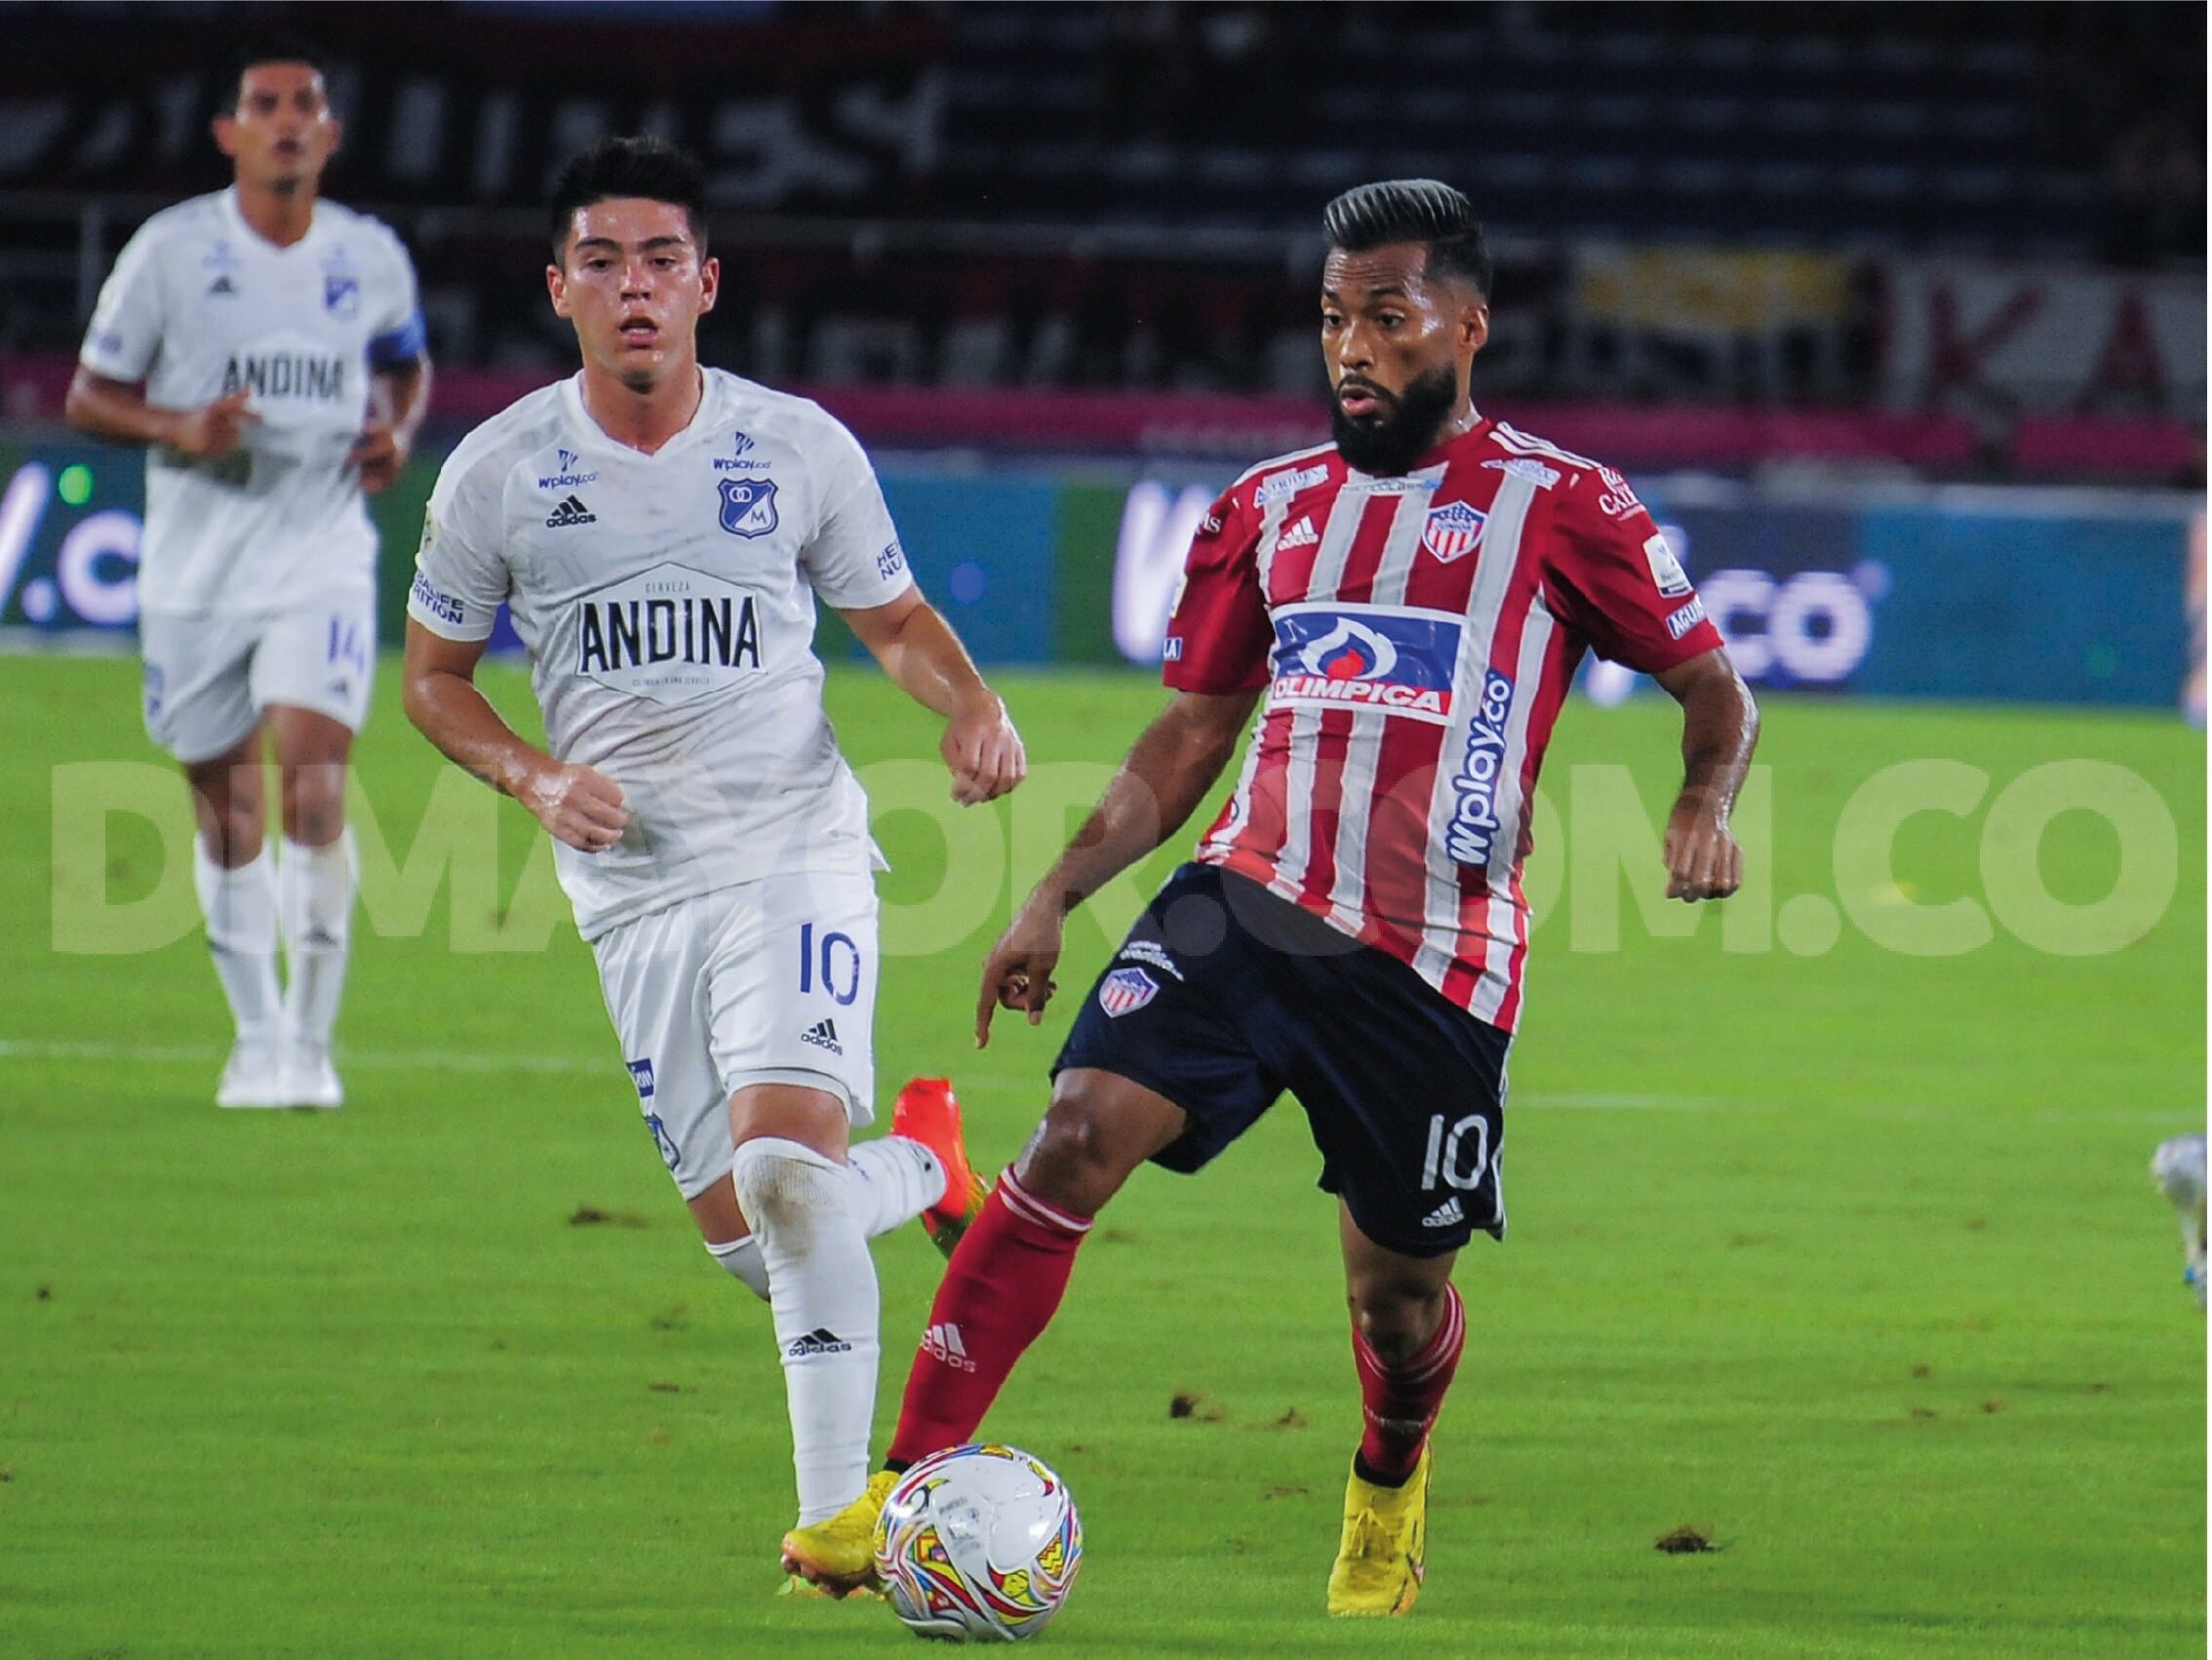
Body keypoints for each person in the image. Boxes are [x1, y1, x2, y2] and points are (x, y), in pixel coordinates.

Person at [802, 179, 1761, 1615]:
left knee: (1396, 1292)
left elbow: (1715, 690)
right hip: (1240, 905)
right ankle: (898, 1484)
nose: (1352, 345)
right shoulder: (1267, 509)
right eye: (1333, 318)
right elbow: (1189, 735)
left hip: (1435, 965)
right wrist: (1055, 894)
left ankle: (1386, 1476)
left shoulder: (1565, 507)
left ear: (1469, 324)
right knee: (1071, 1135)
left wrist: (1702, 802)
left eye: (1388, 314)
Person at [399, 136, 1025, 1589]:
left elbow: (896, 621)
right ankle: (923, 1157)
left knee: (787, 1184)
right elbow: (433, 680)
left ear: (708, 285)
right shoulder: (496, 475)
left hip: (793, 852)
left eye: (662, 260)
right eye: (604, 262)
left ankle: (838, 1523)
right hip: (632, 897)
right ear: (559, 288)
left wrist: (975, 705)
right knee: (761, 1239)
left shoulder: (794, 445)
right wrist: (533, 772)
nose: (635, 287)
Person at [65, 37, 431, 1110]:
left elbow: (406, 364)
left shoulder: (368, 256)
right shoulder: (170, 253)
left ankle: (312, 1051)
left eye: (304, 104)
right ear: (229, 132)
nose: (285, 120)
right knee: (226, 810)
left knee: (313, 783)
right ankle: (257, 1036)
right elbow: (89, 396)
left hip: (318, 547)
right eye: (263, 104)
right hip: (195, 565)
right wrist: (179, 423)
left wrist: (397, 431)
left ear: (329, 134)